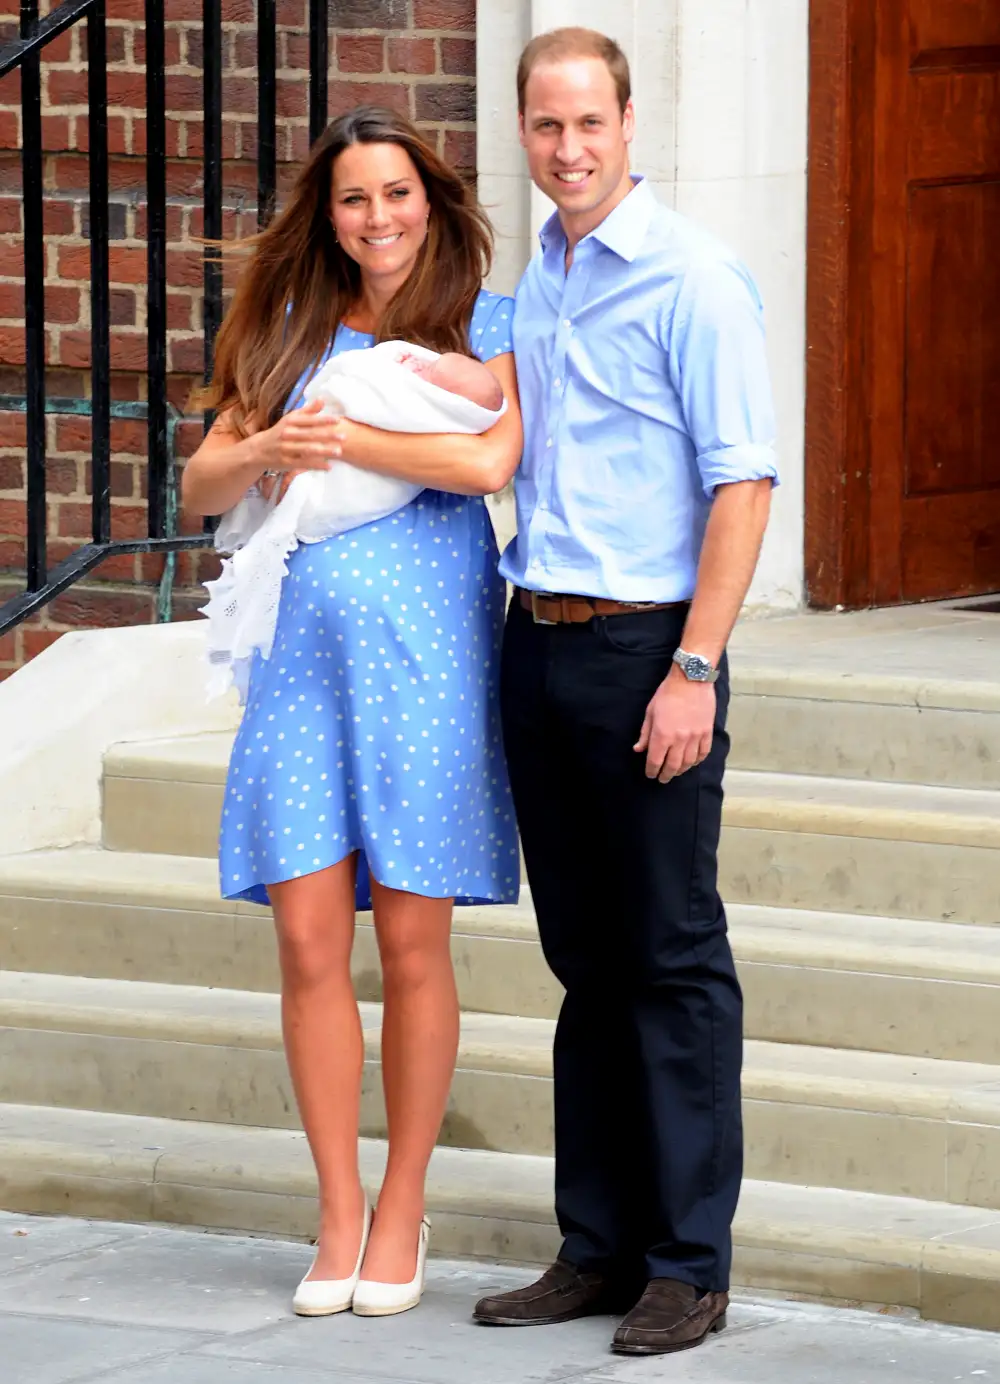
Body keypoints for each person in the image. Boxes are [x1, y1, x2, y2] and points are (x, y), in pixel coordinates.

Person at [181, 104, 523, 1320]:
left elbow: (489, 463)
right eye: (352, 198)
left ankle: (402, 1204)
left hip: (426, 665)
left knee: (414, 944)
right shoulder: (286, 328)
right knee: (309, 940)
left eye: (396, 194)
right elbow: (205, 477)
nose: (376, 217)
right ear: (325, 217)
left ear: (430, 201)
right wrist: (274, 437)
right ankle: (335, 1207)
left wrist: (347, 436)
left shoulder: (483, 321)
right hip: (299, 672)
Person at [471, 28, 778, 1357]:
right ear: (525, 134)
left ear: (631, 123)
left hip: (651, 649)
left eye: (589, 123)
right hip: (535, 647)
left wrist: (695, 667)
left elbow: (744, 484)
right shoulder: (533, 278)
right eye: (545, 127)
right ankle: (595, 1247)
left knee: (670, 958)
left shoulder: (695, 281)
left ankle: (686, 1264)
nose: (569, 149)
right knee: (586, 964)